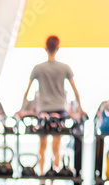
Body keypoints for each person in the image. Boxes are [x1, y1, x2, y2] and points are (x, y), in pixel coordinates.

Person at [22, 35, 83, 175]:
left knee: (42, 146)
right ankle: (54, 180)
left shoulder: (38, 68)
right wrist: (80, 109)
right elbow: (76, 91)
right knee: (56, 147)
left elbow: (27, 92)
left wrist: (21, 110)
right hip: (59, 110)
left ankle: (42, 177)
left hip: (43, 110)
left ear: (45, 47)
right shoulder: (65, 68)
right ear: (58, 48)